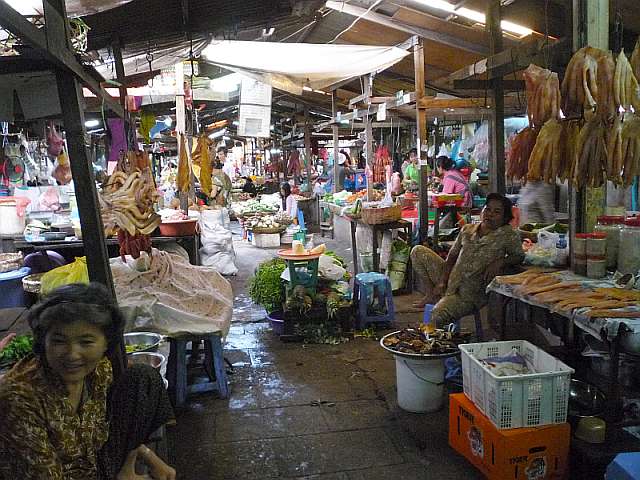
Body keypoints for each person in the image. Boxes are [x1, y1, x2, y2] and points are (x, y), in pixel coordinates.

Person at [0, 283, 175, 480]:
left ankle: (126, 472)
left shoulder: (99, 370)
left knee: (143, 378)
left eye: (86, 342)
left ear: (105, 343)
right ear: (43, 341)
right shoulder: (18, 398)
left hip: (92, 464)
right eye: (58, 341)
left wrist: (150, 457)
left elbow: (105, 427)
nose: (72, 355)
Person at [410, 193, 524, 326]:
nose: (490, 214)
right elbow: (452, 256)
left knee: (437, 314)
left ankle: (439, 340)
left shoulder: (508, 235)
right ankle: (430, 294)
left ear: (505, 218)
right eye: (487, 209)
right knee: (417, 251)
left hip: (469, 294)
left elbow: (519, 256)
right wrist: (442, 281)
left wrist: (500, 262)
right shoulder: (467, 229)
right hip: (451, 280)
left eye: (497, 212)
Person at [436, 155, 473, 228]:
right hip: (468, 200)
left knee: (441, 208)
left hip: (463, 202)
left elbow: (445, 196)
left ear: (440, 167)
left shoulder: (449, 176)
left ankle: (442, 229)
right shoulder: (454, 172)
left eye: (437, 167)